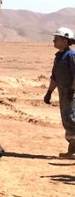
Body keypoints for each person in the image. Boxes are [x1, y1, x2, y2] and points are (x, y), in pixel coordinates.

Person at [43, 27, 75, 158]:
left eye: (56, 39)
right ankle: (72, 150)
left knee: (72, 120)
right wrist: (49, 92)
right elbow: (54, 77)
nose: (53, 41)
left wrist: (72, 91)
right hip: (64, 94)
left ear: (64, 40)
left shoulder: (71, 56)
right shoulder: (59, 57)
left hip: (71, 94)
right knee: (67, 121)